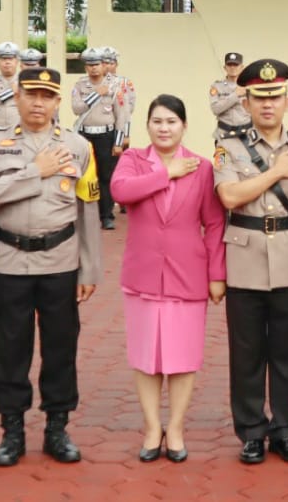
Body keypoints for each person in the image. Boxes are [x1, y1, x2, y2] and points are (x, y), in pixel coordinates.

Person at [0, 67, 101, 466]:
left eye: (47, 96)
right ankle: (11, 431)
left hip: (60, 261)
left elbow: (87, 209)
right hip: (11, 261)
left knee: (61, 347)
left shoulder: (78, 147)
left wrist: (90, 268)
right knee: (10, 348)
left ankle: (57, 428)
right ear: (18, 96)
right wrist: (34, 171)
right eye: (31, 94)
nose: (38, 103)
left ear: (58, 101)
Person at [213, 59, 288, 465]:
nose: (267, 105)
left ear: (287, 101)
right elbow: (228, 197)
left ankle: (284, 430)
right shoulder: (229, 147)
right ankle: (251, 432)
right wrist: (277, 171)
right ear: (246, 101)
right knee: (246, 353)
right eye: (259, 98)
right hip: (244, 254)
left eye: (274, 97)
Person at [110, 94, 227, 463]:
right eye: (157, 121)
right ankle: (151, 428)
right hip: (143, 274)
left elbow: (214, 222)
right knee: (145, 357)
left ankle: (175, 428)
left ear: (184, 126)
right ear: (147, 125)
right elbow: (120, 191)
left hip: (187, 274)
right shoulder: (132, 160)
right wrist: (165, 174)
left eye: (171, 121)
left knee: (182, 358)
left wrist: (216, 274)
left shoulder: (202, 167)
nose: (164, 128)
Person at [71, 47, 129, 230]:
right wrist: (97, 93)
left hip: (106, 135)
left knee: (105, 177)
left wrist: (118, 142)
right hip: (85, 135)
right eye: (90, 65)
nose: (94, 68)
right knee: (83, 175)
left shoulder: (116, 86)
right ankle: (84, 215)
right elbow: (76, 108)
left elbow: (122, 116)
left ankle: (106, 215)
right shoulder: (80, 86)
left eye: (97, 64)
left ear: (104, 66)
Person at [209, 52, 252, 142]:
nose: (232, 67)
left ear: (242, 67)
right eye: (230, 65)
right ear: (225, 67)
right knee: (221, 157)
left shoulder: (249, 86)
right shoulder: (217, 86)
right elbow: (216, 109)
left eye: (235, 65)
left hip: (245, 135)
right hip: (223, 135)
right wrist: (235, 95)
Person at [103, 47, 136, 146]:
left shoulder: (124, 82)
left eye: (111, 64)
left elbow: (128, 111)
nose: (108, 67)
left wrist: (126, 134)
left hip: (118, 127)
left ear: (116, 64)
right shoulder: (96, 83)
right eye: (105, 64)